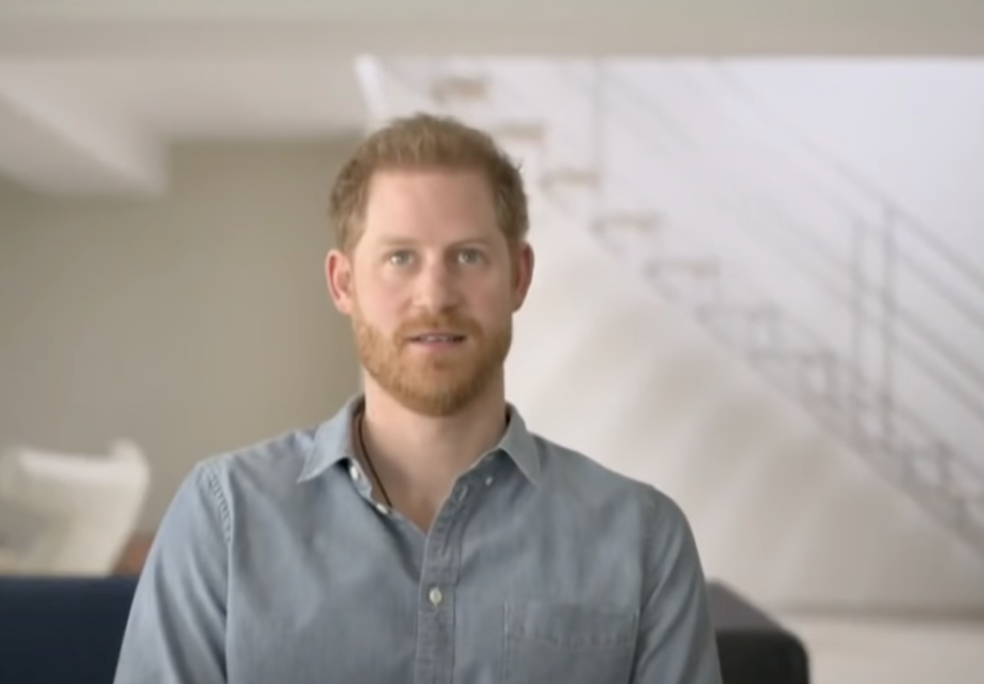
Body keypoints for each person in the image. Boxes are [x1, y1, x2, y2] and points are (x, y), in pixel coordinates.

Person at [112, 113, 723, 684]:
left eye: (468, 256)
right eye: (400, 257)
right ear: (343, 283)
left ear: (518, 276)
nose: (435, 295)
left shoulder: (643, 540)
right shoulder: (224, 519)